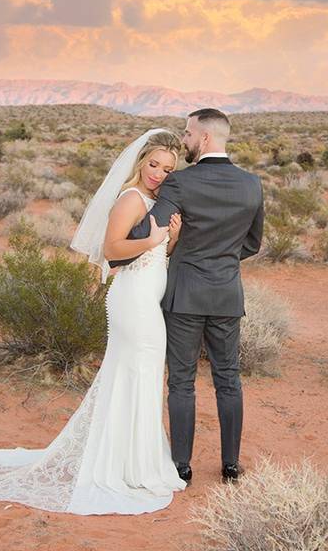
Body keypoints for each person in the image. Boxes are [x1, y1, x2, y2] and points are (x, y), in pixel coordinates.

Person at [0, 129, 188, 515]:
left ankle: (134, 460)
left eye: (167, 169)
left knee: (141, 376)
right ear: (140, 163)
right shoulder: (131, 199)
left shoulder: (155, 202)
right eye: (153, 165)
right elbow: (112, 251)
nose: (158, 174)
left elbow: (156, 256)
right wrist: (151, 240)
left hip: (148, 300)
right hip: (132, 302)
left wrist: (171, 239)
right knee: (135, 373)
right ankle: (122, 466)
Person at [109, 108, 264, 485]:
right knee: (229, 379)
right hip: (227, 292)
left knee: (181, 380)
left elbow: (151, 228)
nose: (186, 140)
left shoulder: (180, 183)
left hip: (184, 297)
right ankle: (230, 466)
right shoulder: (252, 184)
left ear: (205, 138)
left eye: (189, 134)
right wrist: (222, 260)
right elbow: (253, 243)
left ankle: (181, 466)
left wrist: (175, 245)